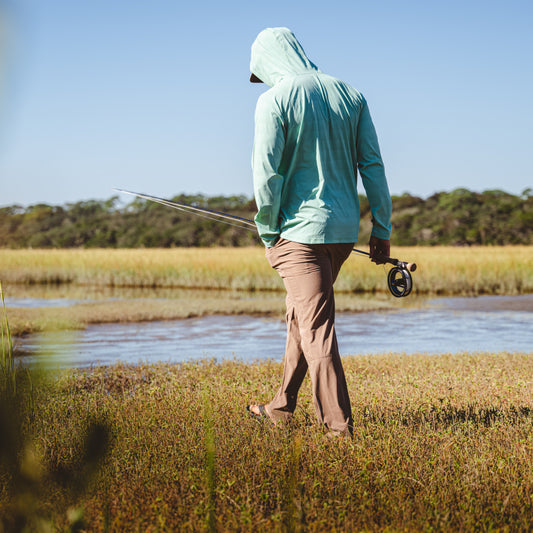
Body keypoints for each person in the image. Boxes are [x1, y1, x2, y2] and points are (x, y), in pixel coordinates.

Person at [246, 27, 392, 437]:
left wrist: (268, 229)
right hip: (343, 233)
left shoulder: (273, 100)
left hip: (299, 235)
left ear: (267, 62)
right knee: (303, 317)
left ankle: (338, 431)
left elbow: (266, 174)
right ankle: (279, 407)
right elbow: (373, 167)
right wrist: (381, 227)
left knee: (316, 328)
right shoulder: (351, 94)